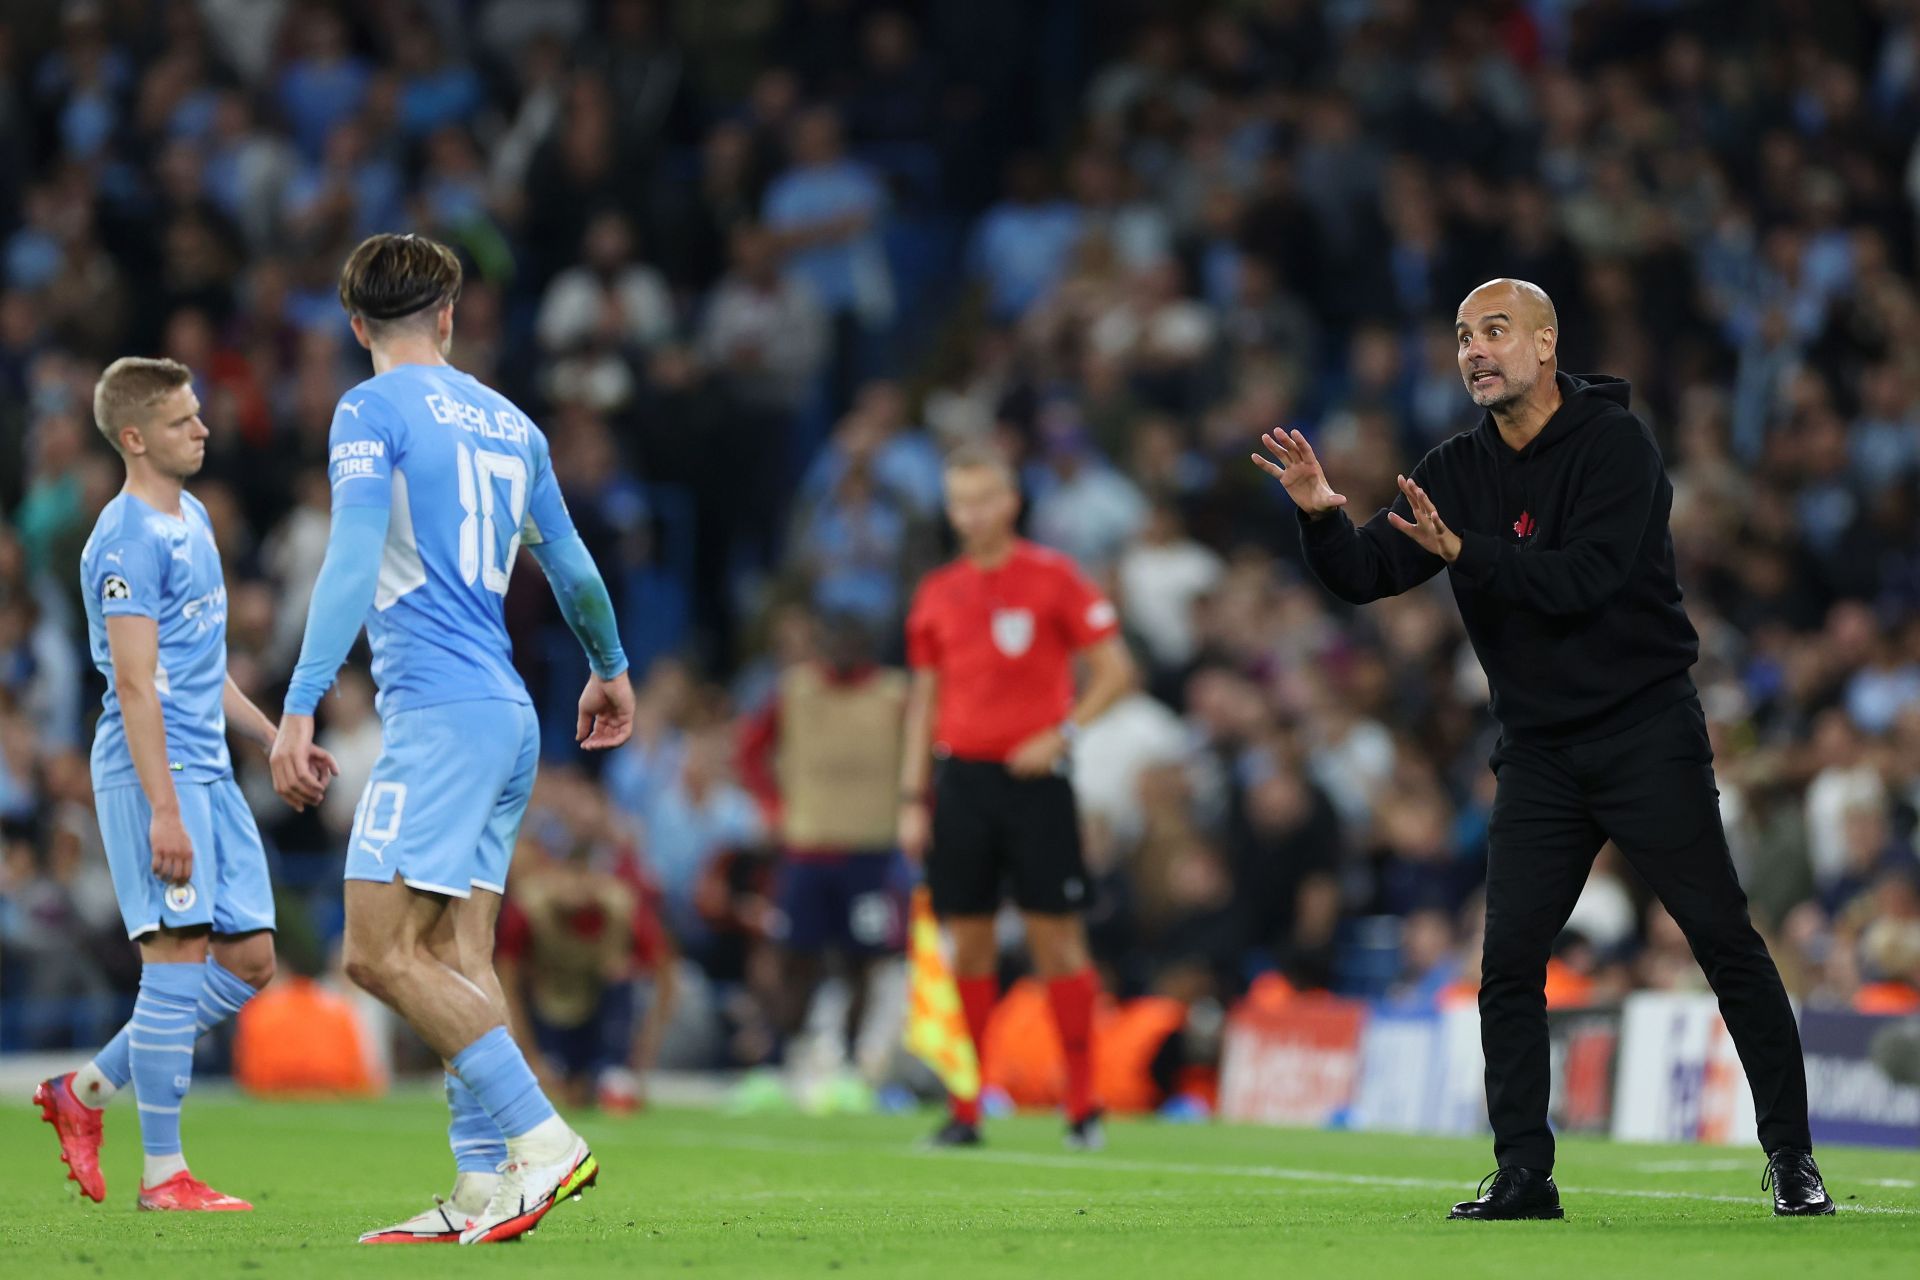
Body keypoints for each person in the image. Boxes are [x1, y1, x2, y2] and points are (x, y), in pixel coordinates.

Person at [1254, 278, 1833, 1220]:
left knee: (1724, 940)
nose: (1474, 350)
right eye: (1461, 337)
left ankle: (1792, 1156)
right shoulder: (1453, 468)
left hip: (1645, 731)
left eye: (1494, 331)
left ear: (1546, 343)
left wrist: (1467, 553)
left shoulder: (1616, 446)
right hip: (1541, 753)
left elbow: (1589, 581)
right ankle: (1526, 1172)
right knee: (1509, 964)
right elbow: (1366, 575)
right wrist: (1321, 512)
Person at [268, 233, 634, 1245]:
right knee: (457, 950)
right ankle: (482, 1184)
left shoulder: (368, 409)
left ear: (355, 326)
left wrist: (299, 702)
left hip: (437, 716)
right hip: (507, 713)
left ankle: (542, 1140)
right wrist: (611, 666)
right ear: (448, 314)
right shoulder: (513, 422)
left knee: (377, 953)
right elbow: (574, 568)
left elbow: (348, 557)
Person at [35, 357, 338, 1211]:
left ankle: (86, 1092)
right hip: (152, 769)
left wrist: (277, 736)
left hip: (207, 763)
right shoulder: (123, 541)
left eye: (198, 414)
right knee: (174, 960)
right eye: (181, 421)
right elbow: (136, 686)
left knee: (249, 959)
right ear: (134, 438)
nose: (203, 429)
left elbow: (198, 671)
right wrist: (165, 809)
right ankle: (164, 1175)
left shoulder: (195, 515)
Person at [900, 444, 1134, 1149]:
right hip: (962, 781)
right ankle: (968, 1107)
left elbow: (1117, 671)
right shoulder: (938, 591)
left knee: (1056, 937)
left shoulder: (1054, 578)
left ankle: (1084, 1104)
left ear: (1011, 501)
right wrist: (912, 797)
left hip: (1036, 783)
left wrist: (1061, 734)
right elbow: (923, 699)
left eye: (982, 499)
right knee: (967, 944)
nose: (969, 515)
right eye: (958, 503)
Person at [738, 611, 910, 1107]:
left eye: (853, 640)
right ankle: (774, 1064)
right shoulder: (794, 691)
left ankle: (852, 1069)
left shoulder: (895, 695)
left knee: (867, 960)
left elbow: (925, 752)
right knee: (793, 958)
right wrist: (772, 805)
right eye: (835, 639)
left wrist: (917, 810)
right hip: (808, 848)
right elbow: (750, 749)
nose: (842, 650)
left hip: (870, 849)